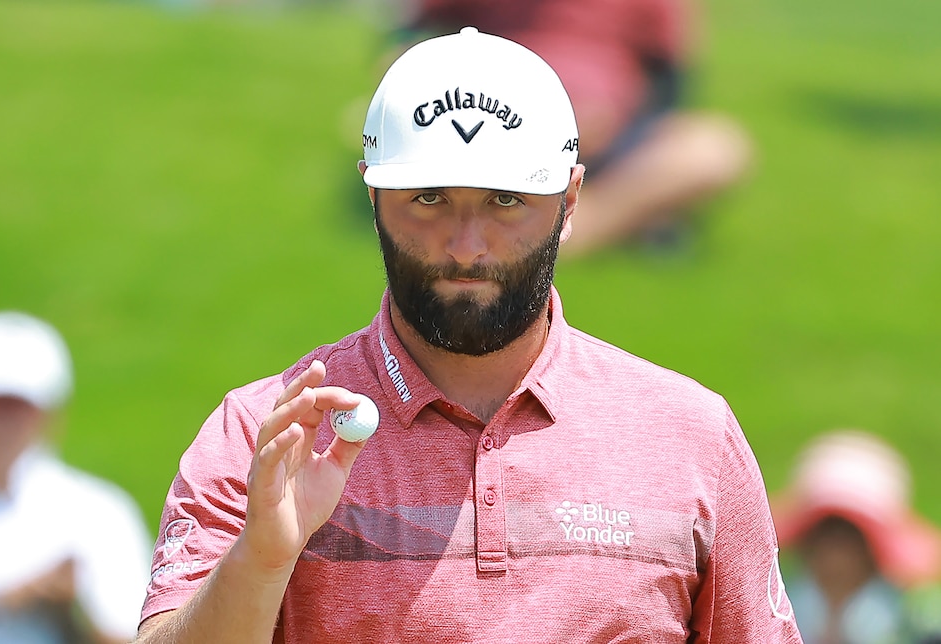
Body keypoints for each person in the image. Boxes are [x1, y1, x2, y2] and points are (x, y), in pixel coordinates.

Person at [135, 27, 801, 642]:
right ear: (373, 199)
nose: (464, 245)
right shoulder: (265, 434)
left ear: (569, 204)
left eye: (505, 201)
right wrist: (260, 560)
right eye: (428, 199)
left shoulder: (691, 436)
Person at [395, 0, 753, 256]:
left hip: (612, 137)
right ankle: (568, 226)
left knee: (716, 148)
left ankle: (572, 229)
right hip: (492, 133)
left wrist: (612, 119)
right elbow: (415, 39)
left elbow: (671, 84)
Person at [0, 311, 152, 644]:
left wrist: (69, 608)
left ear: (48, 412)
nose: (4, 422)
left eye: (18, 406)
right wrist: (8, 600)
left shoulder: (99, 512)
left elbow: (131, 636)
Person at [771, 429, 941, 644]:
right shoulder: (776, 608)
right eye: (825, 531)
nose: (835, 549)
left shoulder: (916, 622)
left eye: (851, 535)